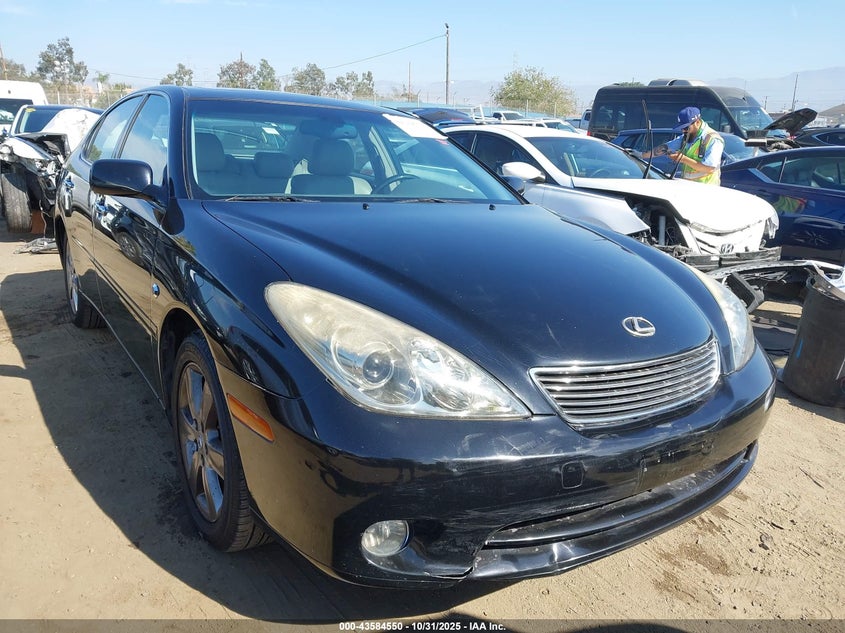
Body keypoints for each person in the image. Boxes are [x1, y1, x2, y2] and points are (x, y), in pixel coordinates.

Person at [642, 106, 725, 185]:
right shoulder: (686, 137)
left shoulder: (713, 139)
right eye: (681, 128)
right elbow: (665, 147)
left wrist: (683, 159)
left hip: (706, 190)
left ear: (697, 122)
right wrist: (641, 155)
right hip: (688, 189)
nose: (683, 130)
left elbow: (710, 168)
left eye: (686, 127)